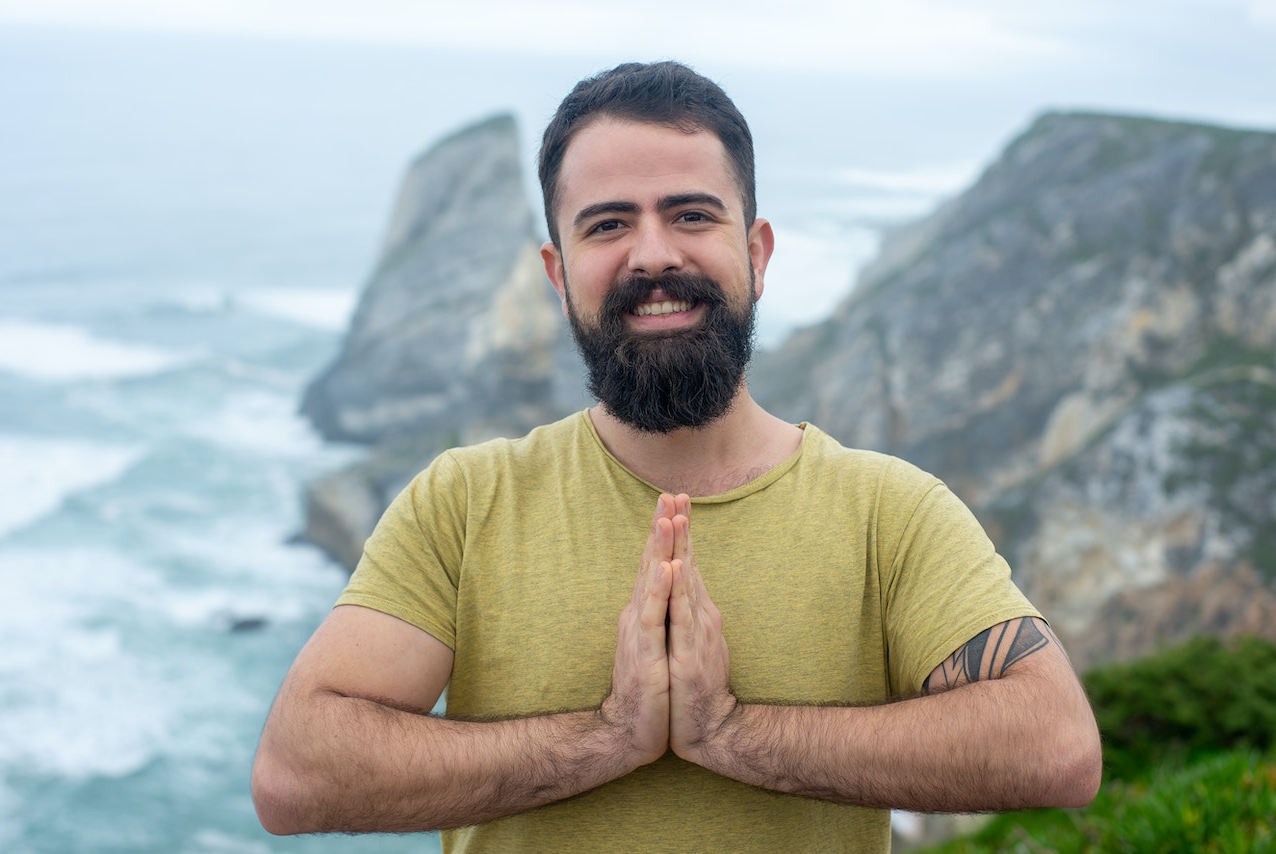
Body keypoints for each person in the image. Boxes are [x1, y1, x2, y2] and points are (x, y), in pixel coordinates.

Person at [251, 60, 1102, 852]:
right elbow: (295, 776)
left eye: (691, 214)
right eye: (608, 224)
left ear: (757, 253)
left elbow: (1056, 745)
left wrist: (728, 733)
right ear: (557, 273)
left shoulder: (889, 510)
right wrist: (611, 737)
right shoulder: (464, 501)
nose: (653, 254)